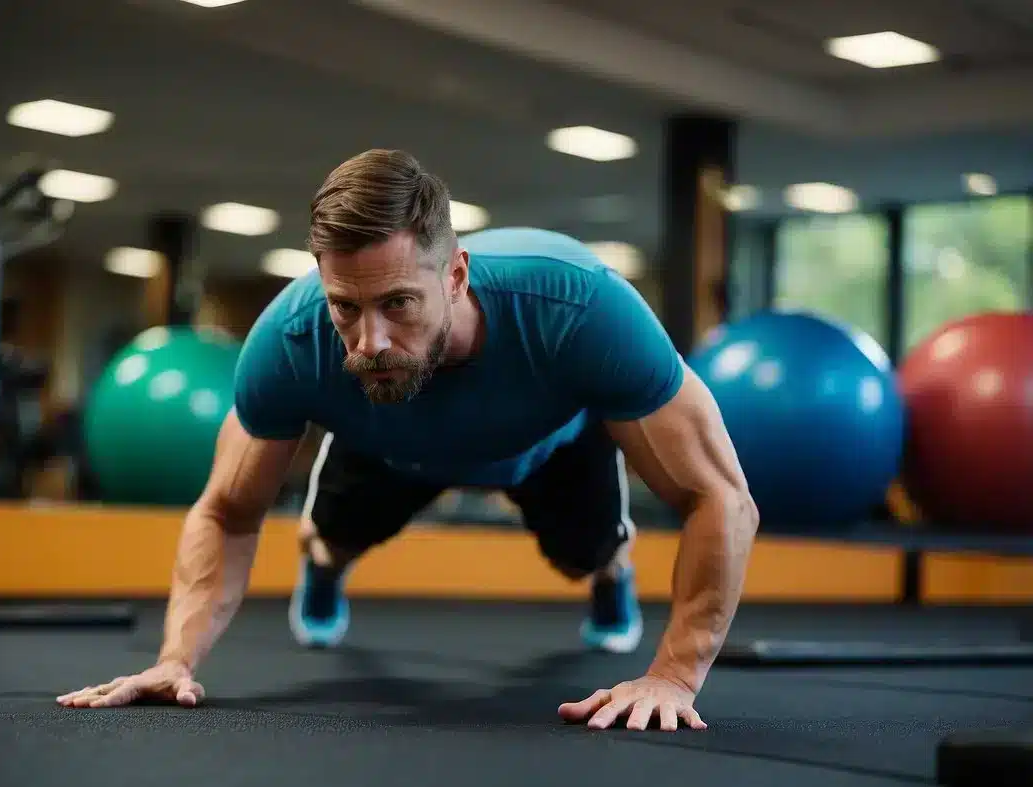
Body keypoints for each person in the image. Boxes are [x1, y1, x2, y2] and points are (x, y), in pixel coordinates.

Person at [59, 149, 759, 732]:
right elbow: (225, 510)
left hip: (547, 444)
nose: (369, 340)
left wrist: (673, 676)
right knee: (330, 538)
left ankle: (611, 575)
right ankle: (326, 568)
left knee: (593, 552)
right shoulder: (292, 340)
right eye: (345, 307)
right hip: (384, 435)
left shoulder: (577, 305)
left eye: (397, 303)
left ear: (454, 275)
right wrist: (175, 657)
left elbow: (720, 497)